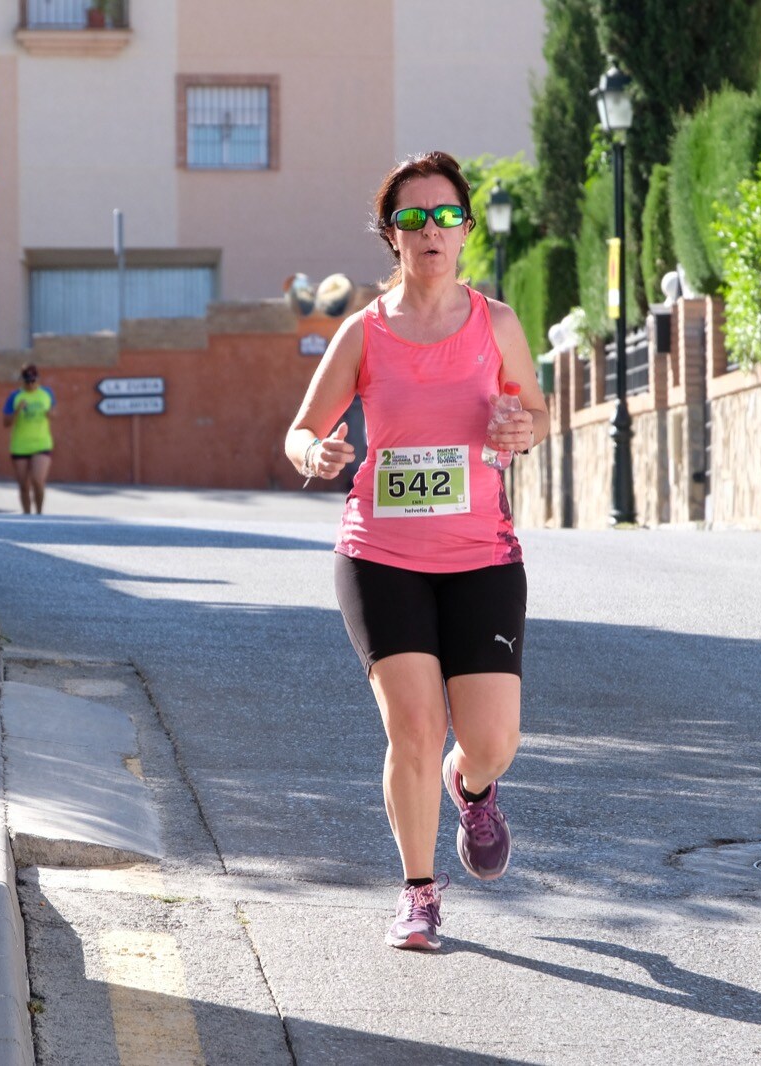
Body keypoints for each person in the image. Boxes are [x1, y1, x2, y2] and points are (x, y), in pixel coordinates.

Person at [285, 151, 547, 952]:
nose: (428, 230)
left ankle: (472, 786)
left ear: (464, 228)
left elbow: (535, 413)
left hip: (480, 554)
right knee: (414, 723)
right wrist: (313, 455)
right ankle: (419, 892)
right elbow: (301, 429)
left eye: (443, 215)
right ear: (390, 235)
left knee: (492, 737)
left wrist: (522, 428)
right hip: (380, 556)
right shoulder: (362, 333)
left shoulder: (496, 322)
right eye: (410, 217)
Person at [3, 364, 55, 514]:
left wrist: (50, 414)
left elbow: (55, 413)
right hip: (20, 445)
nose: (31, 384)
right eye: (28, 381)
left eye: (34, 381)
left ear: (38, 379)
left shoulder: (47, 393)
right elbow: (6, 423)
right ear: (22, 381)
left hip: (41, 443)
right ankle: (27, 515)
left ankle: (39, 513)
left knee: (38, 481)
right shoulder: (15, 396)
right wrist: (17, 410)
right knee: (23, 485)